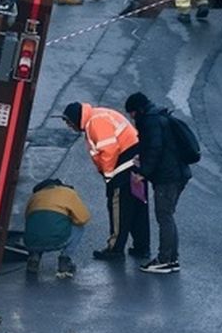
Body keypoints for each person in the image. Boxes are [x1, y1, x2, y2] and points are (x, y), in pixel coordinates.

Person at [61, 102, 149, 260]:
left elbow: (109, 150)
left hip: (123, 167)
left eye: (69, 122)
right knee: (138, 207)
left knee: (119, 208)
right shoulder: (99, 115)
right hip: (136, 163)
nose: (69, 127)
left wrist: (109, 177)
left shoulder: (95, 122)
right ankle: (142, 247)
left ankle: (115, 249)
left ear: (75, 119)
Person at [124, 92, 190, 274]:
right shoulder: (158, 117)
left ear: (138, 110)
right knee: (167, 215)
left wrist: (142, 173)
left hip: (168, 178)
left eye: (132, 113)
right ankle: (172, 258)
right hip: (177, 174)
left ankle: (164, 259)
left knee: (164, 216)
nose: (131, 117)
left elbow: (155, 149)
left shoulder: (150, 122)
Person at [23, 178, 91, 279]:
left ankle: (34, 257)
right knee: (79, 227)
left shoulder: (35, 196)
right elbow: (84, 218)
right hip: (58, 239)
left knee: (39, 225)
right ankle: (65, 260)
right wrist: (68, 219)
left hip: (32, 242)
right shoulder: (68, 193)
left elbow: (28, 218)